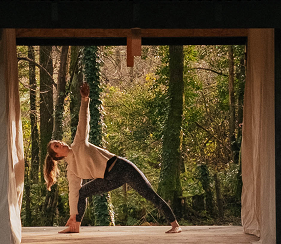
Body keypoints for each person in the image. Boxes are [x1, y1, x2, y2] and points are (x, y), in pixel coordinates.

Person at [42, 81, 181, 235]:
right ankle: (75, 226)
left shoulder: (79, 143)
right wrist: (73, 215)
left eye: (58, 142)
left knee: (149, 194)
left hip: (121, 168)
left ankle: (175, 225)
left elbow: (83, 121)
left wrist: (85, 100)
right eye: (56, 146)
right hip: (108, 179)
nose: (60, 143)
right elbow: (73, 192)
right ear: (57, 156)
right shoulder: (72, 170)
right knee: (81, 193)